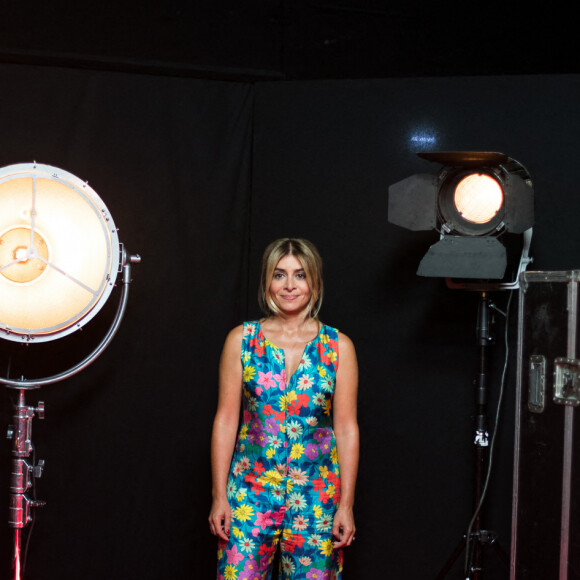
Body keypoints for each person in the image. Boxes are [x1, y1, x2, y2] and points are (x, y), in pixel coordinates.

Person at [209, 238, 359, 579]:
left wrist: (346, 506)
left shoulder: (339, 346)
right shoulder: (241, 340)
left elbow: (347, 429)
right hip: (249, 495)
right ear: (267, 283)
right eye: (279, 275)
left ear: (315, 282)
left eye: (300, 275)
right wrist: (220, 496)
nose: (289, 285)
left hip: (316, 501)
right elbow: (226, 420)